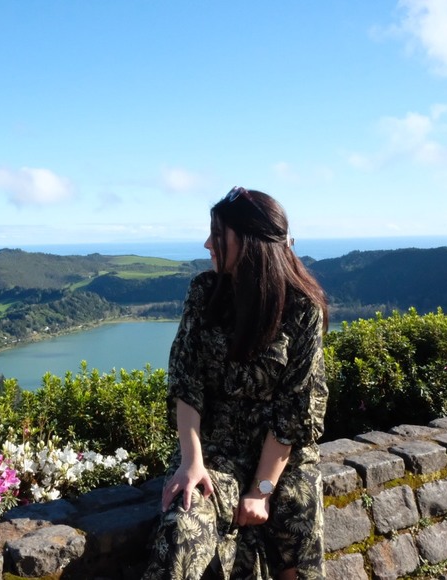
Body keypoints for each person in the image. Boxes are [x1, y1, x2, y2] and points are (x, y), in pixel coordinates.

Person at [142, 187, 329, 580]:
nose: (208, 243)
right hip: (216, 454)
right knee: (183, 525)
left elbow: (297, 408)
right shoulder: (204, 292)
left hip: (280, 458)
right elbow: (185, 380)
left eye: (218, 235)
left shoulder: (302, 309)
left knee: (295, 516)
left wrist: (261, 490)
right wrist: (192, 462)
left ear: (248, 243)